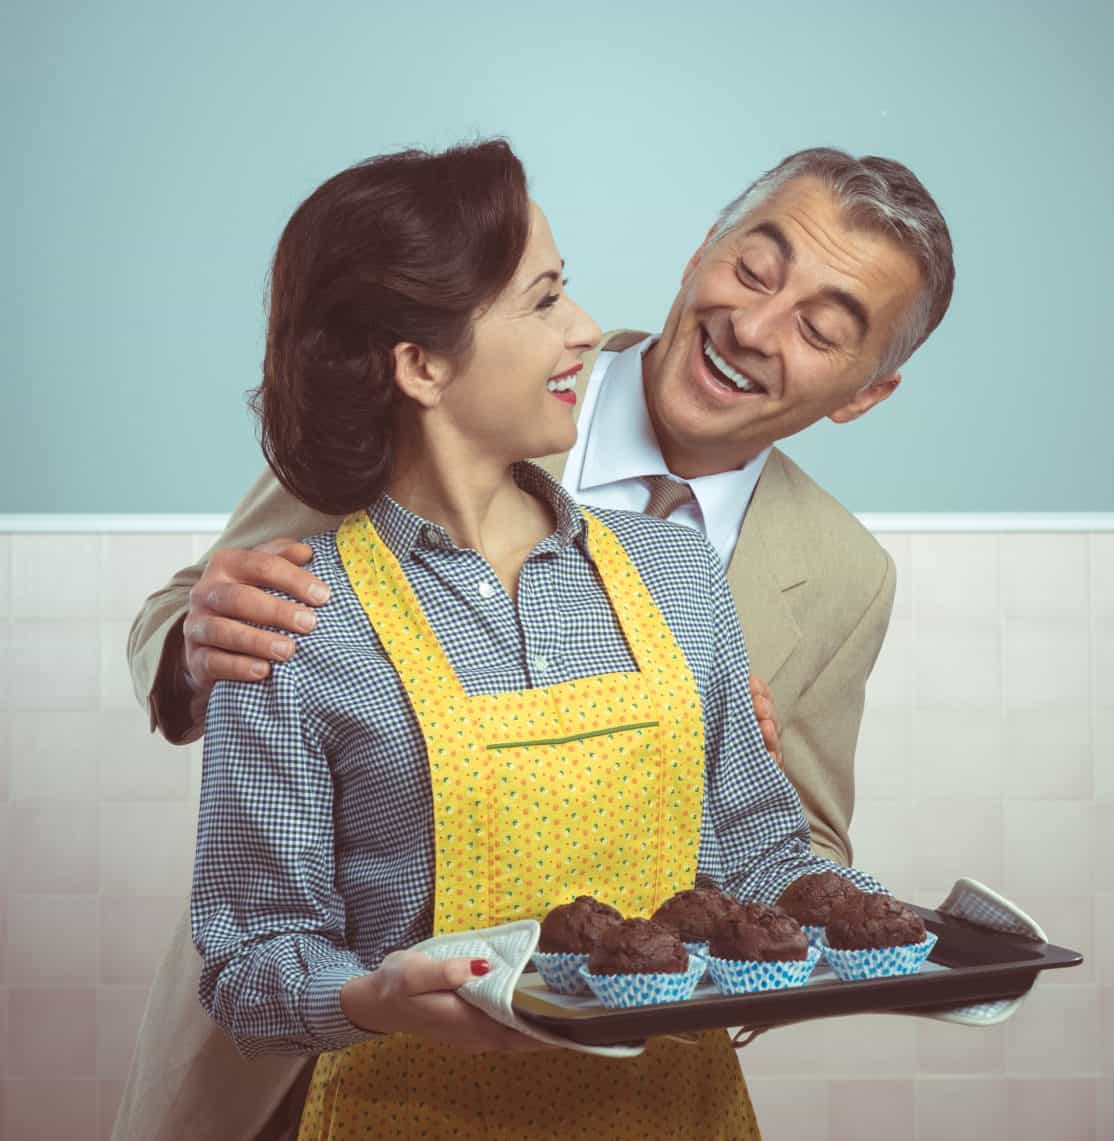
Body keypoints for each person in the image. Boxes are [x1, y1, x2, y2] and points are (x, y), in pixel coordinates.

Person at [116, 144, 954, 1139]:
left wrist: (742, 809)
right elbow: (210, 612)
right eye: (754, 268)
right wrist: (205, 641)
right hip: (323, 1067)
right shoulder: (425, 381)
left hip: (638, 1093)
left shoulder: (822, 577)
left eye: (820, 327)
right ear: (703, 249)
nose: (755, 324)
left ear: (864, 392)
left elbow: (784, 850)